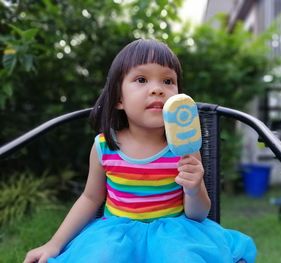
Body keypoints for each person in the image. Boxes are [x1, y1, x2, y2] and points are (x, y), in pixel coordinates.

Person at [24, 39, 256, 263]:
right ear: (118, 99)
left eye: (168, 81)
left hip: (174, 236)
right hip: (115, 238)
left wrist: (194, 188)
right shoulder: (104, 146)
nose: (157, 89)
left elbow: (197, 214)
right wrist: (54, 244)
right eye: (142, 79)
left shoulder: (184, 148)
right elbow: (90, 198)